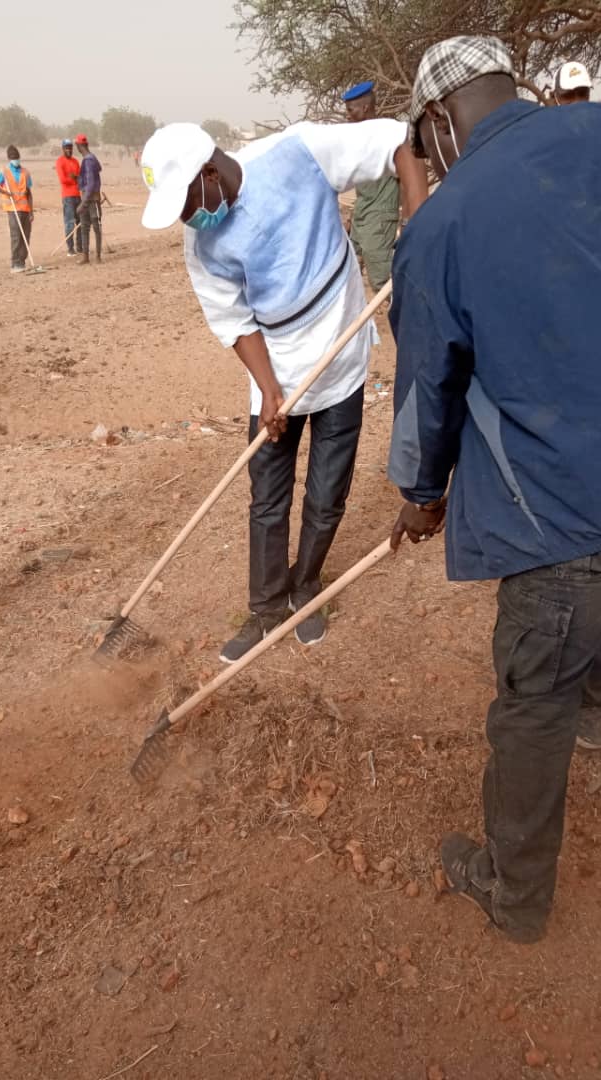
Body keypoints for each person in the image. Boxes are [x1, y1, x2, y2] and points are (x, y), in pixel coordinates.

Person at [387, 35, 601, 944]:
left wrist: (420, 493)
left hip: (560, 522)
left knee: (534, 705)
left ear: (436, 123)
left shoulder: (440, 225)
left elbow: (428, 389)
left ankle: (513, 897)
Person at [140, 120, 428, 663]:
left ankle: (307, 589)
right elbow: (233, 319)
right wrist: (269, 389)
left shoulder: (300, 151)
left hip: (341, 359)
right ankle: (267, 606)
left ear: (210, 171)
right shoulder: (200, 244)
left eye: (184, 203)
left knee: (326, 494)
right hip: (274, 371)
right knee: (268, 498)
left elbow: (399, 140)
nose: (186, 218)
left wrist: (420, 222)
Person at [343, 81, 402, 293]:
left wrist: (406, 223)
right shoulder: (360, 137)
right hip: (362, 215)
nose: (347, 115)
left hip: (378, 219)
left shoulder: (386, 135)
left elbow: (405, 175)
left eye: (351, 110)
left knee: (382, 282)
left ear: (365, 108)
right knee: (350, 269)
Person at [0, 145, 33, 273]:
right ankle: (15, 263)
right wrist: (4, 191)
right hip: (12, 209)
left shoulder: (25, 172)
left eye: (17, 158)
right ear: (9, 159)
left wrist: (31, 211)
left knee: (25, 236)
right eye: (13, 158)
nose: (16, 160)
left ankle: (22, 261)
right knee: (16, 236)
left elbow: (29, 192)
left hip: (25, 208)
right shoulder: (4, 171)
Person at [75, 133, 102, 263]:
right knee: (85, 228)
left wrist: (83, 204)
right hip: (87, 197)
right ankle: (86, 257)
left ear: (80, 146)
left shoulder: (89, 160)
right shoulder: (91, 159)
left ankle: (97, 256)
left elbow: (90, 184)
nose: (77, 149)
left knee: (95, 227)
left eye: (77, 146)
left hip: (90, 199)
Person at [55, 139, 82, 256]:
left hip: (78, 196)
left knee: (80, 222)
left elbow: (80, 179)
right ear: (63, 149)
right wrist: (74, 179)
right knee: (69, 223)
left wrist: (74, 177)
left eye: (70, 147)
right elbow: (63, 180)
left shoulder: (76, 162)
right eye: (66, 147)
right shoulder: (60, 162)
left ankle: (80, 247)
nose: (69, 149)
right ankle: (70, 249)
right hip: (68, 197)